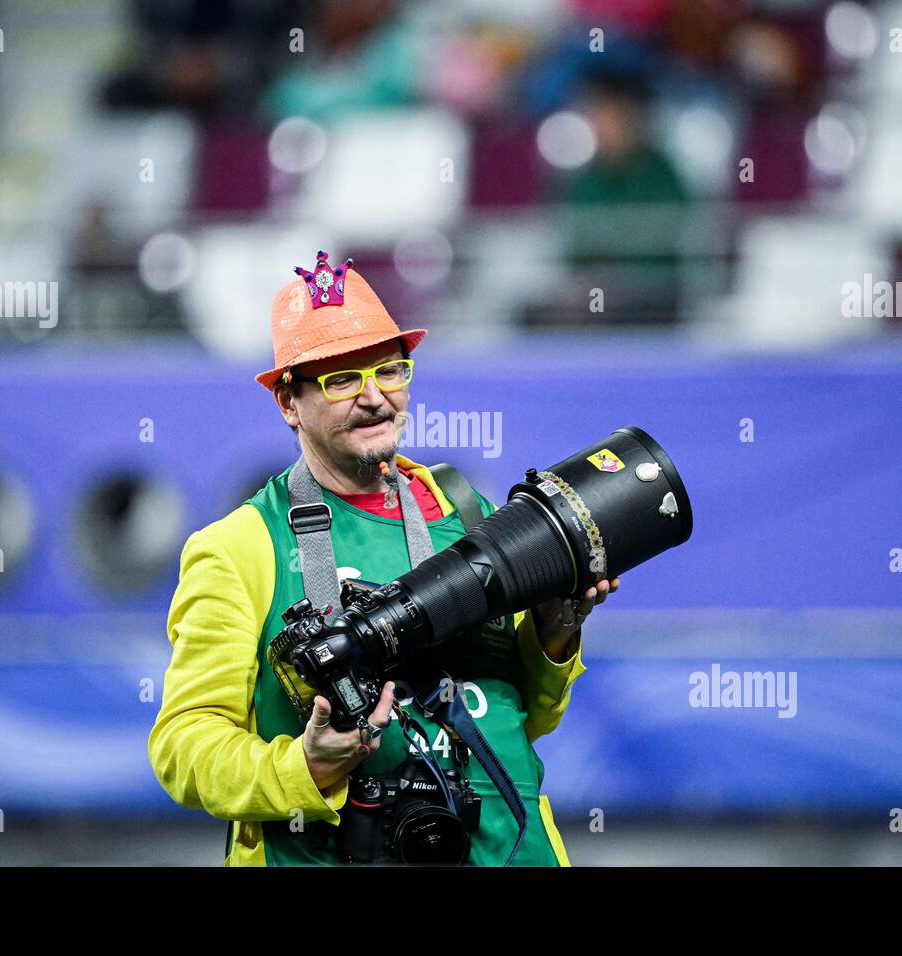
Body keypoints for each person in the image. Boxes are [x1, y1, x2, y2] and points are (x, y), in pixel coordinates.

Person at [148, 250, 619, 865]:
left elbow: (521, 712)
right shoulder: (239, 548)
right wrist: (305, 767)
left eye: (389, 371)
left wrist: (556, 634)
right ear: (288, 403)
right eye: (341, 379)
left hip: (516, 848)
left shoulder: (460, 504)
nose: (374, 398)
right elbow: (183, 750)